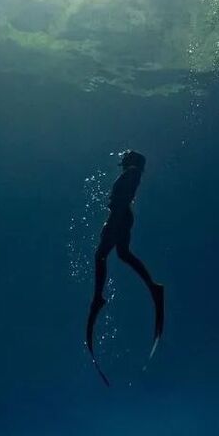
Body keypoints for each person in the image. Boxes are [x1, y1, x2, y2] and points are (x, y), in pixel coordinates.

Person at [86, 150, 164, 378]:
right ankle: (152, 285)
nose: (123, 164)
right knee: (122, 254)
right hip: (122, 216)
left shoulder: (132, 171)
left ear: (132, 161)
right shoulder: (132, 172)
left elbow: (124, 193)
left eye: (126, 160)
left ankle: (99, 297)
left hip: (120, 216)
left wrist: (115, 219)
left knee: (100, 255)